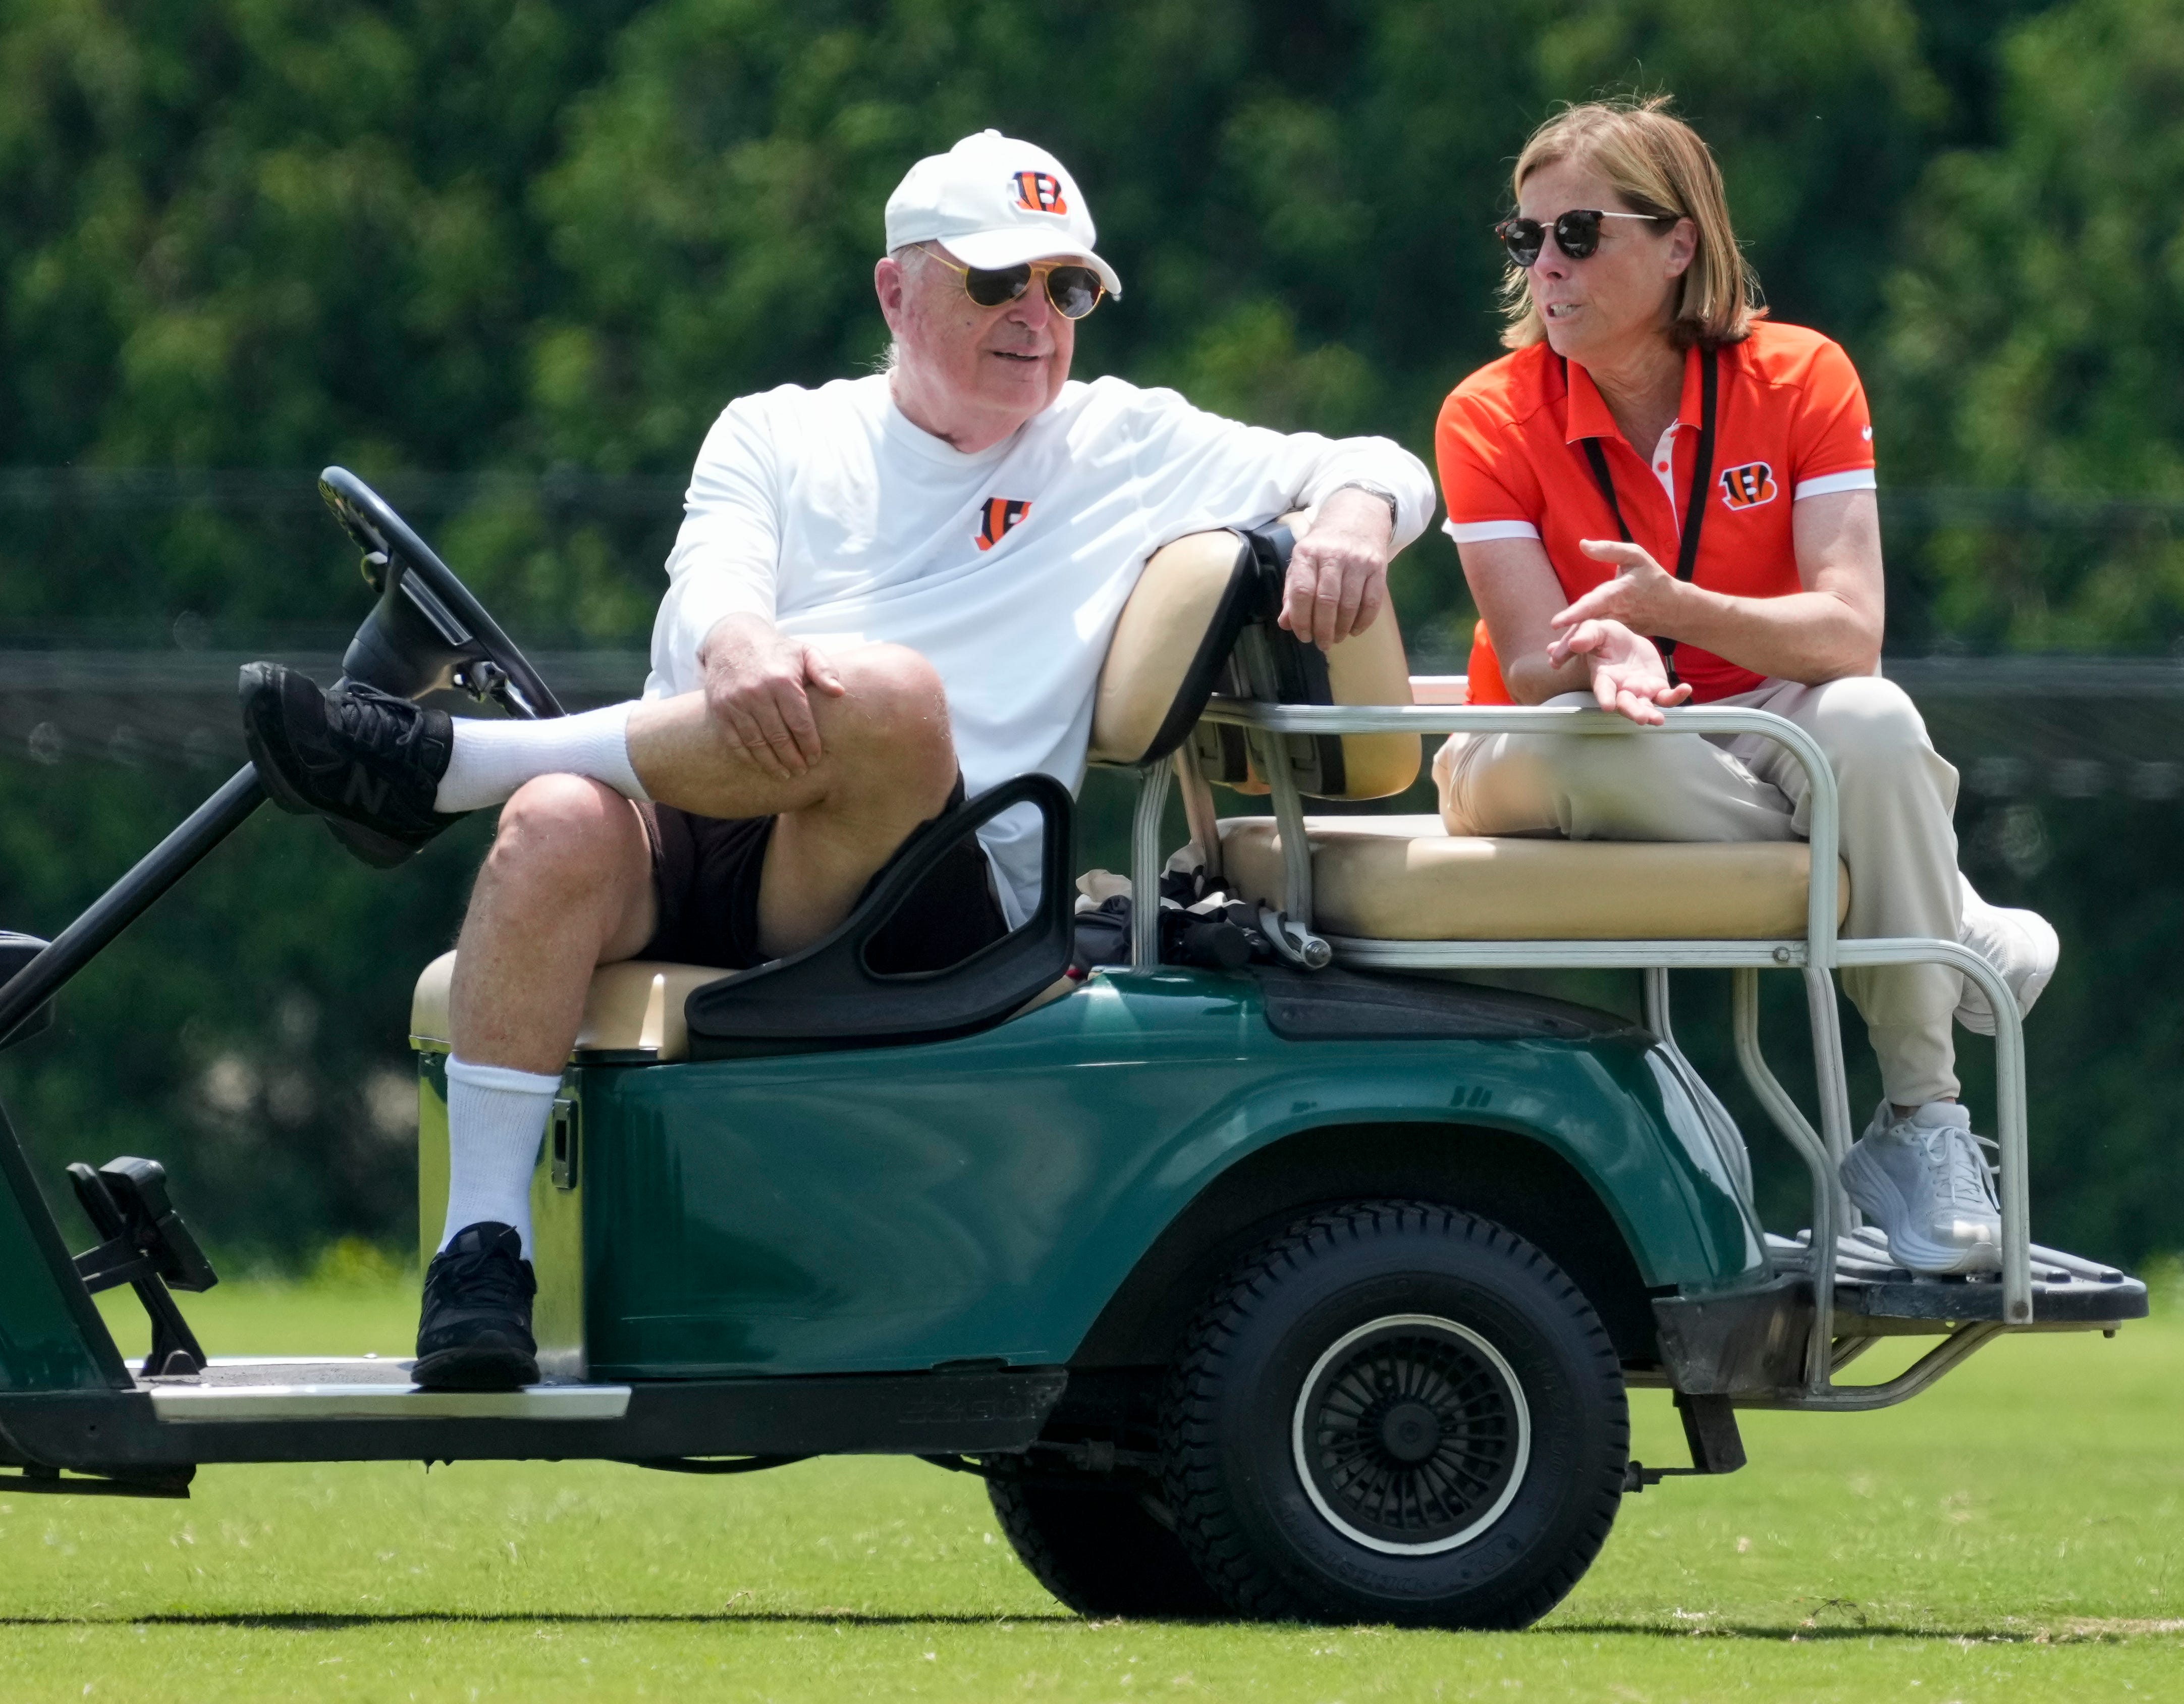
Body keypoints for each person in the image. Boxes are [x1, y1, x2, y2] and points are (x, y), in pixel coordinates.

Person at [238, 129, 1435, 1389]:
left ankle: (446, 766)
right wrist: (743, 640)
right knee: (551, 822)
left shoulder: (1125, 441)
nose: (1038, 317)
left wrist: (1352, 513)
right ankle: (481, 1252)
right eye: (996, 282)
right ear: (895, 291)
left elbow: (1385, 465)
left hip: (937, 883)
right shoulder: (777, 431)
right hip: (722, 807)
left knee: (891, 695)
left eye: (1067, 288)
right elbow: (714, 584)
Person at [1428, 97, 2057, 1278]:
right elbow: (1525, 657)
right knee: (1596, 741)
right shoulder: (1487, 410)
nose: (1546, 267)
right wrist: (1607, 650)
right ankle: (1929, 900)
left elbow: (1850, 634)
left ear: (1680, 243)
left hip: (1760, 720)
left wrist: (1675, 613)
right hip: (1546, 733)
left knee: (1872, 718)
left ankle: (1921, 1120)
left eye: (1579, 234)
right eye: (1527, 240)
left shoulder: (1803, 373)